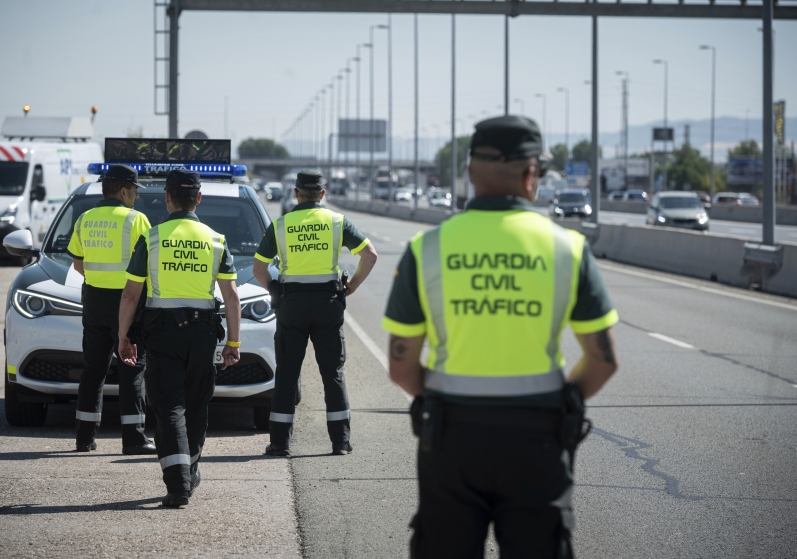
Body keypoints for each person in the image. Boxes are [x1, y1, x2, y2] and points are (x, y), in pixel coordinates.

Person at [382, 116, 620, 558]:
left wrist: (439, 394)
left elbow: (401, 366)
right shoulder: (567, 248)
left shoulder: (426, 248)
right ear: (532, 174)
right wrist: (564, 402)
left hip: (450, 440)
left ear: (469, 172)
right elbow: (603, 359)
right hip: (539, 440)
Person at [117, 169, 242, 508]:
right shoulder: (216, 240)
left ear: (168, 199)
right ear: (199, 199)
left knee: (169, 405)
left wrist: (123, 337)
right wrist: (233, 343)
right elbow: (231, 297)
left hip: (162, 335)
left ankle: (178, 484)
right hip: (202, 334)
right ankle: (191, 469)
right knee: (197, 402)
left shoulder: (153, 238)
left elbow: (131, 295)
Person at [253, 170, 378, 456]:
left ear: (296, 194)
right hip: (328, 303)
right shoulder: (337, 221)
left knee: (286, 373)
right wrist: (352, 286)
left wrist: (275, 290)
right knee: (332, 372)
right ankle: (340, 442)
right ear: (322, 194)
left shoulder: (281, 225)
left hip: (291, 305)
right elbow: (370, 254)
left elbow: (258, 270)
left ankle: (280, 443)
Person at [66, 164, 156, 455]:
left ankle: (84, 438)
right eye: (134, 191)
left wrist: (99, 281)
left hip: (93, 300)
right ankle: (133, 439)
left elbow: (78, 264)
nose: (137, 197)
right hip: (126, 303)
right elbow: (148, 266)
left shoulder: (84, 219)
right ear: (122, 191)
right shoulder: (136, 220)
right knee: (132, 369)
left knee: (93, 370)